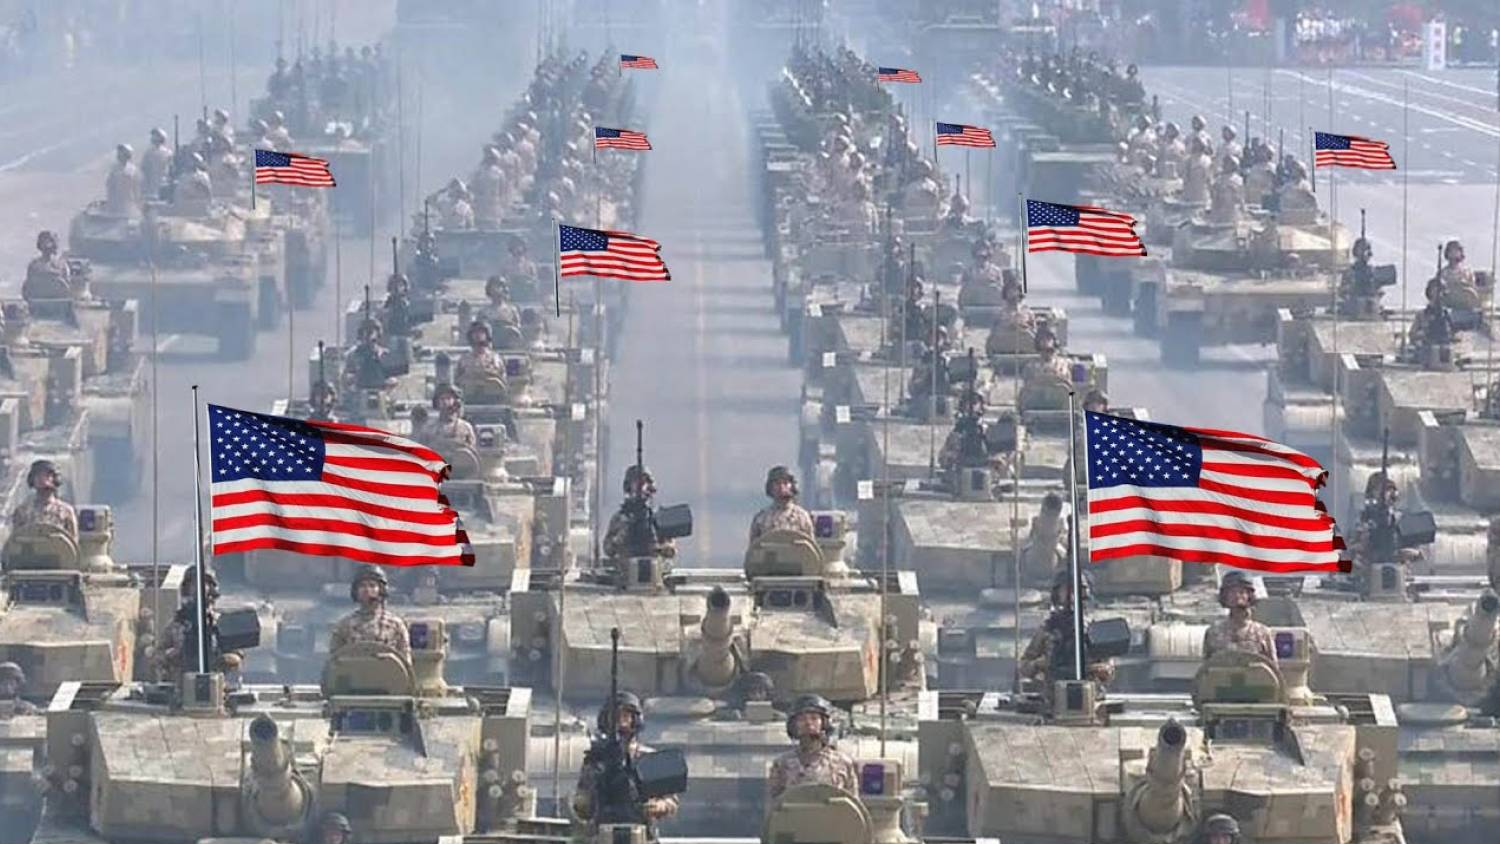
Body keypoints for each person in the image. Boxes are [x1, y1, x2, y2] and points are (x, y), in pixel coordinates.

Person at [573, 691, 678, 833]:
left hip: (640, 832)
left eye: (625, 716)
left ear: (635, 719)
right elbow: (582, 802)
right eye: (615, 717)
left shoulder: (648, 758)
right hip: (603, 832)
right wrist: (585, 801)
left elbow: (671, 801)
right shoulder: (596, 759)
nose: (620, 722)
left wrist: (660, 805)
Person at [1020, 569, 1115, 690]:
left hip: (1089, 692)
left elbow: (1108, 667)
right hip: (1054, 692)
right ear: (1058, 593)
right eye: (1068, 590)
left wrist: (1103, 669)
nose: (1073, 595)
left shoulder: (1095, 629)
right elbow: (1024, 666)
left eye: (1079, 589)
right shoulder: (1048, 629)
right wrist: (1038, 664)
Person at [767, 694, 859, 801]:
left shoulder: (842, 763)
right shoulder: (782, 764)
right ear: (794, 725)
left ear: (824, 723)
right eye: (802, 719)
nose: (808, 723)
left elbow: (853, 804)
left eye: (814, 718)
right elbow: (774, 804)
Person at [156, 567, 244, 679]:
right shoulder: (177, 624)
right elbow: (158, 654)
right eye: (194, 584)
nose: (198, 589)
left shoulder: (222, 623)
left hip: (215, 680)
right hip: (181, 680)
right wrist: (171, 655)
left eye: (203, 584)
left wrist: (225, 659)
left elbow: (237, 654)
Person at [328, 566, 412, 663]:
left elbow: (405, 662)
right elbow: (334, 662)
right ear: (356, 591)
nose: (367, 590)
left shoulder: (396, 625)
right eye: (362, 586)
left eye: (372, 586)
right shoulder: (344, 626)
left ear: (381, 590)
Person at [1202, 571, 1278, 665]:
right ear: (1225, 597)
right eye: (1232, 592)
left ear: (1249, 596)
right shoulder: (1213, 633)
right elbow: (1206, 668)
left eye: (1241, 592)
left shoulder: (1262, 633)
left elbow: (1273, 669)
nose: (1237, 596)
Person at [604, 465, 675, 560]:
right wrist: (619, 538)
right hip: (627, 565)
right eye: (638, 483)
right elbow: (608, 549)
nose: (642, 488)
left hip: (653, 564)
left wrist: (659, 548)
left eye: (645, 482)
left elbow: (671, 549)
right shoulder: (620, 518)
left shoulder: (658, 517)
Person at [10, 459, 78, 543]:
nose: (41, 479)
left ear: (55, 479)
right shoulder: (22, 511)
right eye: (37, 475)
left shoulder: (66, 511)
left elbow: (72, 543)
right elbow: (15, 541)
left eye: (46, 475)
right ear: (32, 480)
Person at [749, 466, 815, 544]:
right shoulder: (761, 519)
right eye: (777, 483)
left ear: (792, 486)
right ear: (771, 488)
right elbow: (754, 548)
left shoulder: (802, 517)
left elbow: (810, 547)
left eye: (785, 483)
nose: (781, 487)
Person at [416, 383, 477, 450]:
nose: (445, 402)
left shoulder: (465, 427)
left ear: (456, 401)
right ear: (437, 402)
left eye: (448, 398)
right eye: (442, 399)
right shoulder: (429, 428)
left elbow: (472, 452)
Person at [23, 230, 75, 302]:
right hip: (38, 303)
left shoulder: (62, 266)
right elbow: (27, 289)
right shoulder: (34, 266)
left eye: (50, 242)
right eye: (45, 242)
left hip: (58, 304)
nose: (48, 245)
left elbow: (68, 289)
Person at [342, 319, 392, 391]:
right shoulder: (353, 354)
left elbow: (394, 378)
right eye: (364, 331)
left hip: (380, 392)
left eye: (370, 331)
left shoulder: (385, 354)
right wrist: (357, 376)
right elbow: (345, 379)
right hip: (360, 392)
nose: (367, 335)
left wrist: (385, 382)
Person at [104, 143, 141, 215]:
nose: (120, 154)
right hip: (115, 204)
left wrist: (137, 203)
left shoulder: (132, 170)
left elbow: (136, 188)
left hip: (128, 205)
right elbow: (109, 186)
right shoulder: (113, 169)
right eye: (120, 152)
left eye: (123, 152)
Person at [141, 127, 173, 201]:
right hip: (151, 183)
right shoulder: (148, 153)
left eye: (156, 135)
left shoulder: (167, 153)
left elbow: (171, 168)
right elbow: (144, 168)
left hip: (163, 181)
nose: (153, 137)